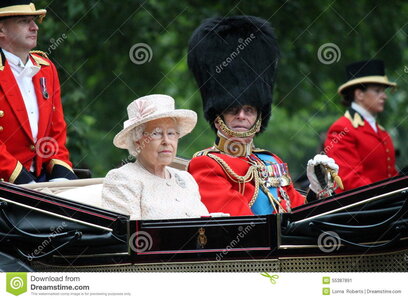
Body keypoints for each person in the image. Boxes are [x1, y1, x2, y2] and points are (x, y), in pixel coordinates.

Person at [187, 16, 339, 216]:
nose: (241, 116)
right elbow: (240, 225)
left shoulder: (271, 161)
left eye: (249, 110)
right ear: (218, 116)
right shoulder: (207, 164)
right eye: (233, 109)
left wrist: (317, 191)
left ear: (259, 118)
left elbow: (298, 210)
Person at [0, 1, 77, 184]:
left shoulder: (46, 68)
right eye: (24, 21)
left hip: (41, 181)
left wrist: (61, 178)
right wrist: (23, 181)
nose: (35, 27)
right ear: (1, 29)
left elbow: (56, 133)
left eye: (34, 21)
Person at [101, 94, 209, 220]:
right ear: (137, 140)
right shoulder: (122, 179)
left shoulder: (186, 179)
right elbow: (128, 235)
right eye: (156, 133)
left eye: (171, 133)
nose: (166, 141)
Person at [324, 60, 398, 192]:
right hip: (362, 209)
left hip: (387, 207)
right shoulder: (341, 128)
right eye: (377, 91)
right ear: (359, 94)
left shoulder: (381, 132)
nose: (384, 96)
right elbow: (349, 180)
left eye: (383, 91)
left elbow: (391, 175)